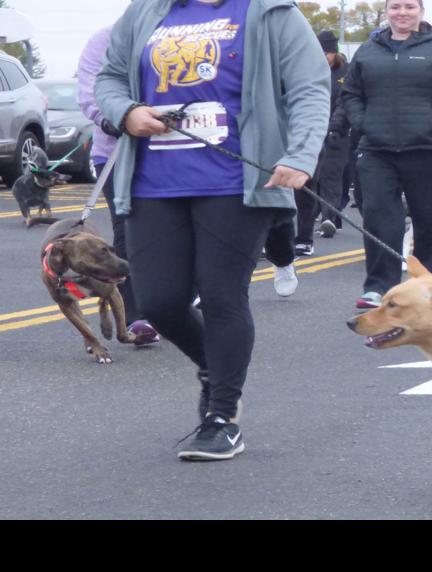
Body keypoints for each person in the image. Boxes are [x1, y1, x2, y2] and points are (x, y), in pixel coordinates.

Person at [94, 0, 330, 460]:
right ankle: (215, 368)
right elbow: (110, 76)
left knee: (222, 294)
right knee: (159, 301)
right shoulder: (146, 10)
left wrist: (300, 154)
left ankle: (223, 416)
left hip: (236, 181)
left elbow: (309, 87)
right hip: (153, 182)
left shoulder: (271, 12)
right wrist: (126, 111)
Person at [341, 0, 432, 310]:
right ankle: (379, 287)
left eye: (410, 7)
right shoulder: (368, 49)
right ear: (386, 12)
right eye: (395, 7)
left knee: (430, 222)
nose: (402, 13)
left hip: (429, 149)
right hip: (377, 150)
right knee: (379, 218)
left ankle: (430, 286)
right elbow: (351, 93)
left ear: (421, 12)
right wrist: (363, 123)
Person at [76, 25, 157, 345]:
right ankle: (136, 314)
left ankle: (180, 292)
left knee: (177, 229)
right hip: (117, 150)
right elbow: (90, 91)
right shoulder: (105, 40)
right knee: (128, 229)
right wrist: (115, 119)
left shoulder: (184, 33)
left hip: (176, 153)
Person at [297, 30, 350, 256]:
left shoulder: (345, 72)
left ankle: (329, 217)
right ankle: (313, 218)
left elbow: (345, 101)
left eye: (327, 52)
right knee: (309, 180)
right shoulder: (306, 70)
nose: (323, 56)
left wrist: (335, 126)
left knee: (331, 175)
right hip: (310, 131)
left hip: (336, 132)